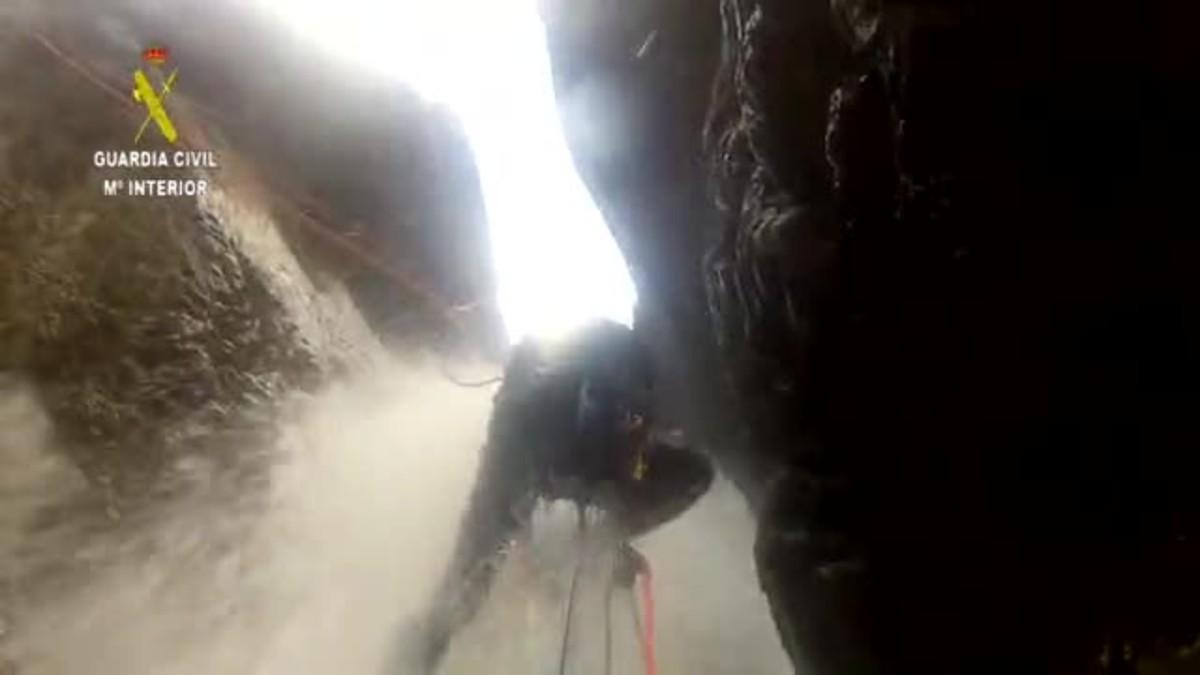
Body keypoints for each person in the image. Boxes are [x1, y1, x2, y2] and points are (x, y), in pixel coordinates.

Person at [405, 320, 713, 673]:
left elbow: (691, 475)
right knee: (464, 585)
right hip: (533, 453)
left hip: (579, 461)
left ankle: (429, 640)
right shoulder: (528, 419)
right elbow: (495, 506)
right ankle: (418, 654)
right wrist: (529, 549)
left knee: (476, 574)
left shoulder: (637, 428)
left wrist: (608, 537)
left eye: (634, 421)